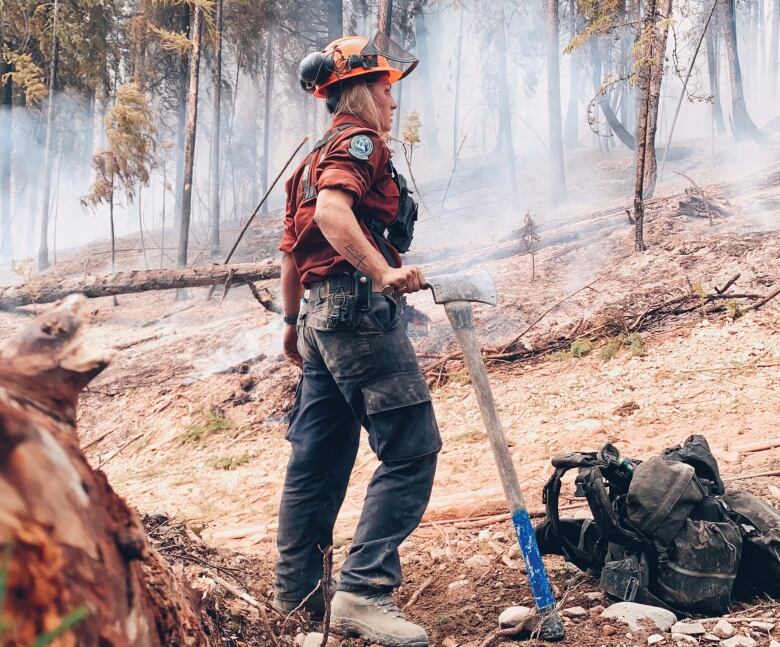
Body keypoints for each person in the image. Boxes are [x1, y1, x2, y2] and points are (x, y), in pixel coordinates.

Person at [273, 33, 441, 647]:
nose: (391, 98)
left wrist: (293, 326)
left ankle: (297, 596)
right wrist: (386, 272)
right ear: (359, 90)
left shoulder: (309, 161)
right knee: (412, 449)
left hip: (320, 322)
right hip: (357, 313)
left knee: (316, 461)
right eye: (385, 86)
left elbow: (292, 255)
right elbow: (332, 218)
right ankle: (364, 592)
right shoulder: (359, 142)